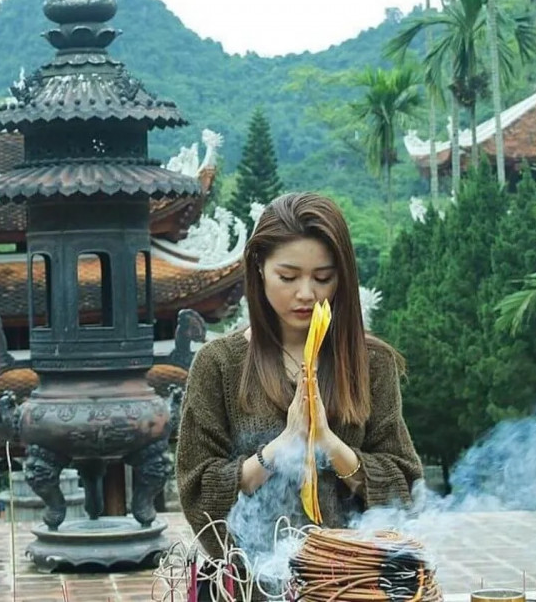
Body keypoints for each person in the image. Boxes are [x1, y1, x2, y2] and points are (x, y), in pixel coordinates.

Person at [175, 192, 423, 563]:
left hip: (348, 581)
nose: (306, 294)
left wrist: (331, 446)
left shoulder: (372, 363)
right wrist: (282, 446)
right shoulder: (220, 364)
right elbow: (198, 489)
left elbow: (404, 489)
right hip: (254, 584)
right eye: (287, 276)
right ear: (259, 266)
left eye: (323, 277)